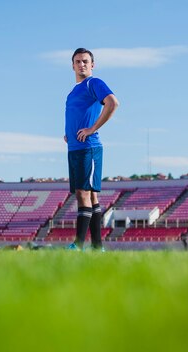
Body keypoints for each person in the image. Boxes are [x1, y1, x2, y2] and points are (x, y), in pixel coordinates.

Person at [64, 48, 119, 251]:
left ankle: (78, 245)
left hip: (89, 148)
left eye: (85, 61)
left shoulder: (93, 83)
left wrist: (92, 129)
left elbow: (113, 103)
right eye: (78, 61)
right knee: (91, 196)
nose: (82, 65)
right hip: (74, 148)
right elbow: (77, 113)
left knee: (83, 194)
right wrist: (67, 133)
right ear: (72, 65)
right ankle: (97, 248)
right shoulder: (72, 91)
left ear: (92, 65)